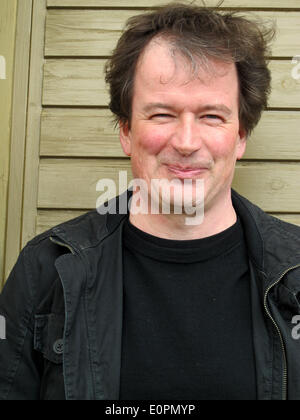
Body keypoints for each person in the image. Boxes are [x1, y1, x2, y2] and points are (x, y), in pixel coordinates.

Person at [0, 3, 300, 401]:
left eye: (212, 116)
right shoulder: (46, 270)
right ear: (126, 130)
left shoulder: (295, 274)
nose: (187, 142)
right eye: (161, 114)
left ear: (240, 135)